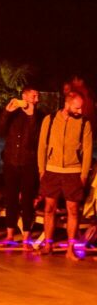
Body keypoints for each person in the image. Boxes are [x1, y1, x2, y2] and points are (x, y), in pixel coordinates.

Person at [37, 92, 92, 257]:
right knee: (49, 208)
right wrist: (41, 169)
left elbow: (88, 151)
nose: (80, 111)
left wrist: (83, 175)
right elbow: (42, 145)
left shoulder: (84, 123)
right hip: (52, 170)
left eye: (81, 107)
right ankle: (48, 245)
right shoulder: (50, 119)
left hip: (73, 172)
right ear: (67, 105)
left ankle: (70, 249)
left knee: (73, 210)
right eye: (77, 107)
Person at [0, 86, 41, 246]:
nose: (36, 99)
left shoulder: (39, 116)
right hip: (11, 162)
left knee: (27, 200)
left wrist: (31, 117)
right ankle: (9, 234)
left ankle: (26, 237)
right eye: (33, 95)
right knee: (10, 198)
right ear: (24, 96)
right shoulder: (14, 114)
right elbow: (0, 129)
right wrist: (7, 111)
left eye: (37, 96)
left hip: (28, 163)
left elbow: (33, 140)